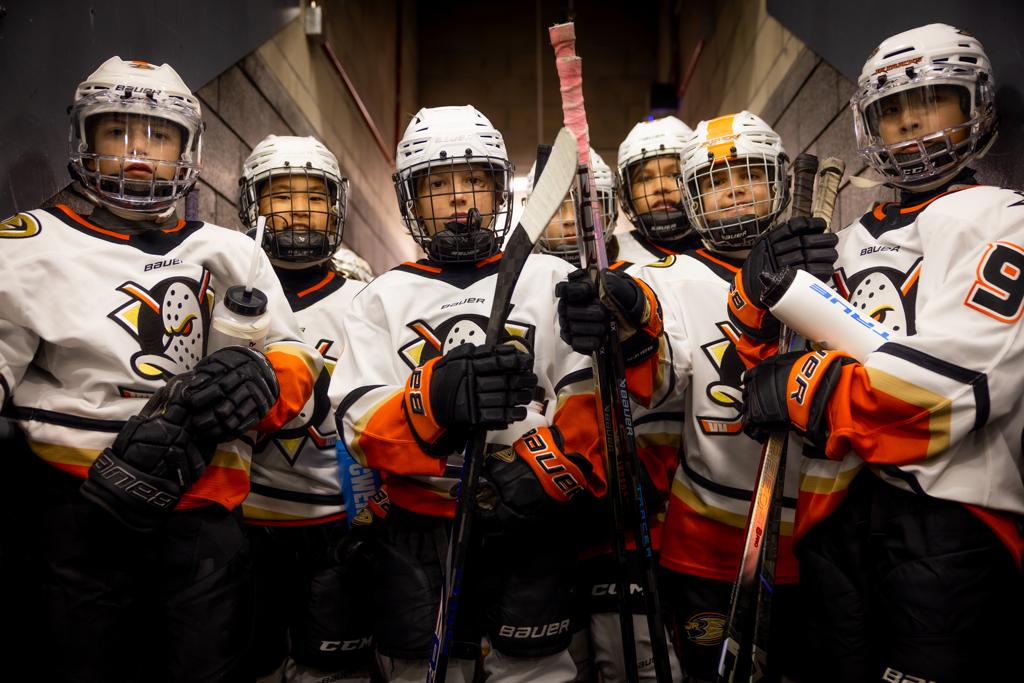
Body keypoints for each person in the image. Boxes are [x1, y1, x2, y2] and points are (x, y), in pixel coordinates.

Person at [0, 57, 321, 681]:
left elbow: (294, 356)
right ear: (85, 138)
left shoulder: (233, 252)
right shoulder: (30, 242)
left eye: (158, 135)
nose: (138, 151)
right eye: (116, 131)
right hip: (76, 512)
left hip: (202, 512)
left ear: (187, 149)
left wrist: (261, 385)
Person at [732, 24, 1023, 681]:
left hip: (950, 524)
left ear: (975, 104)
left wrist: (810, 390)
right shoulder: (843, 241)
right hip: (833, 519)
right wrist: (759, 296)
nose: (910, 121)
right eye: (891, 109)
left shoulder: (1003, 216)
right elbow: (761, 381)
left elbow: (956, 385)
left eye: (933, 99)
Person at [329, 105, 611, 683]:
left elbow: (585, 397)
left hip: (529, 520)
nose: (459, 197)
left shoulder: (548, 279)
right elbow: (358, 421)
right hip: (418, 528)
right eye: (438, 184)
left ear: (500, 190)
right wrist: (436, 401)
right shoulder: (380, 297)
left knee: (538, 673)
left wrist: (552, 471)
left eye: (475, 180)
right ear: (411, 198)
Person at [556, 111, 804, 682]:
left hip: (813, 527)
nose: (734, 192)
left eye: (749, 175)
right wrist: (625, 324)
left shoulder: (821, 257)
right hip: (696, 529)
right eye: (716, 181)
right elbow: (659, 359)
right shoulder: (657, 276)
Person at [523, 148, 682, 682]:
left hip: (635, 521)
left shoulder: (643, 280)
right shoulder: (517, 290)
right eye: (556, 208)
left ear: (609, 209)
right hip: (544, 526)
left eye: (583, 205)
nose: (570, 220)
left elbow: (669, 384)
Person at [237, 134, 373, 682]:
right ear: (252, 203)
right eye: (281, 195)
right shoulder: (223, 288)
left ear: (336, 206)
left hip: (335, 524)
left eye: (315, 197)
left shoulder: (368, 302)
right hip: (242, 523)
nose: (298, 210)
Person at [615, 116, 698, 264]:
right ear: (627, 192)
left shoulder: (726, 248)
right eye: (645, 178)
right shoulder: (612, 254)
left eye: (674, 175)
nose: (661, 187)